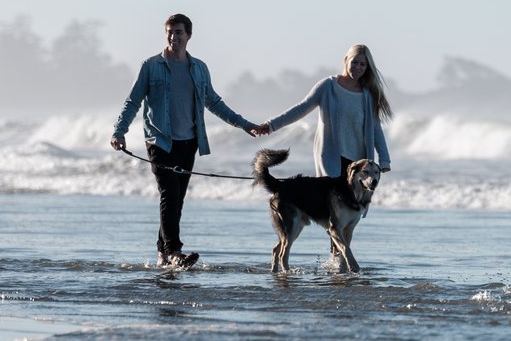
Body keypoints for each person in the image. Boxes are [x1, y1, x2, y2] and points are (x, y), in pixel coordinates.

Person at [110, 13, 261, 267]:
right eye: (169, 32)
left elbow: (214, 102)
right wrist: (119, 131)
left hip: (189, 142)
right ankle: (174, 252)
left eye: (179, 32)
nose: (173, 37)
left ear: (189, 35)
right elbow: (133, 100)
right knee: (169, 193)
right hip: (160, 141)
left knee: (176, 199)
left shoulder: (199, 68)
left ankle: (162, 253)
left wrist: (244, 125)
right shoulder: (151, 66)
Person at [258, 43, 393, 181]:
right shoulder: (328, 87)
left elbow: (376, 128)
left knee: (354, 201)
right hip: (331, 156)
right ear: (346, 60)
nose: (358, 67)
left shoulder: (368, 94)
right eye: (355, 62)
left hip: (358, 163)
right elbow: (300, 109)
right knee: (331, 199)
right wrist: (270, 125)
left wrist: (384, 160)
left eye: (363, 65)